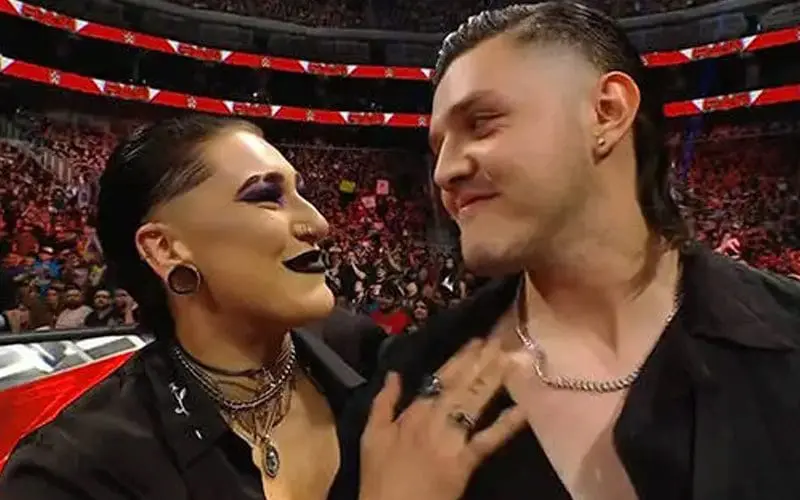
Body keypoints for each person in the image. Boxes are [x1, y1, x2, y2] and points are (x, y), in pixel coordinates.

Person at [341, 4, 800, 500]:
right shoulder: (402, 390)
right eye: (438, 147)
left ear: (607, 111)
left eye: (482, 122)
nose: (443, 172)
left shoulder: (787, 333)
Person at [0, 117, 524, 500]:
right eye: (266, 196)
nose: (318, 223)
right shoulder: (72, 471)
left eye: (301, 193)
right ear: (165, 248)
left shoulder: (369, 357)